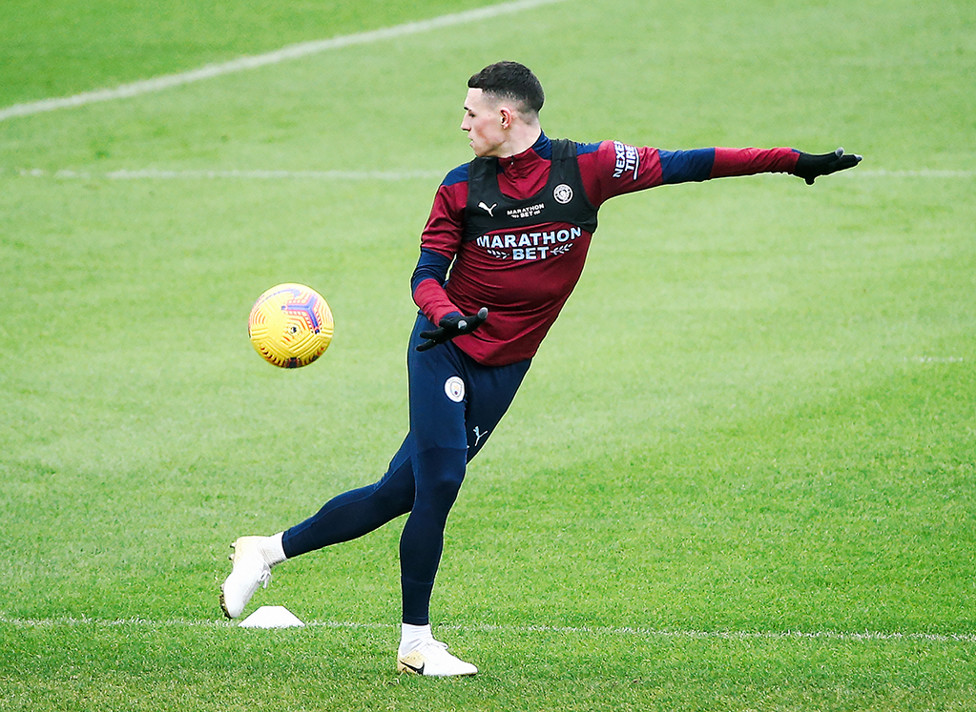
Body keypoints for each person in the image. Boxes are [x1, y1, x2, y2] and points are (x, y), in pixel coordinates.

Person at [219, 61, 861, 676]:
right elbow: (424, 275)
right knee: (440, 482)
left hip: (505, 368)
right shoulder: (459, 187)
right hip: (444, 348)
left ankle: (267, 550)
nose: (463, 125)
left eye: (471, 114)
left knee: (400, 492)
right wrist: (444, 316)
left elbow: (693, 163)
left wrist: (793, 162)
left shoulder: (590, 167)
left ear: (505, 116)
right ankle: (415, 644)